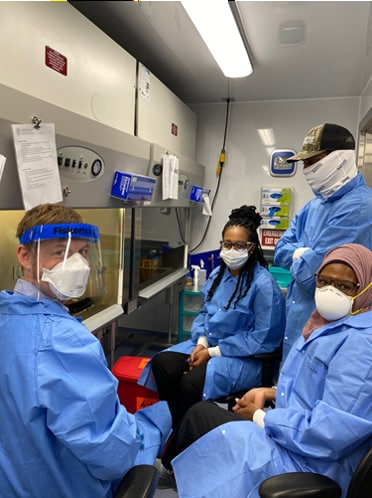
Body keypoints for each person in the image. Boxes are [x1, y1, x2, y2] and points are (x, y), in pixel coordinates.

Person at [158, 243, 372, 498]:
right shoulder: (326, 324)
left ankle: (178, 474)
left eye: (344, 286)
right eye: (323, 281)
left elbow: (330, 432)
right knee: (169, 371)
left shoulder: (361, 345)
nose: (330, 292)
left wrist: (262, 418)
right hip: (292, 435)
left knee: (199, 413)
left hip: (309, 463)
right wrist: (270, 392)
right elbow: (311, 388)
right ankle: (182, 474)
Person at [0, 203, 171, 498]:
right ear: (25, 256)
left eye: (82, 253)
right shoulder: (63, 341)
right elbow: (110, 453)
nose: (77, 265)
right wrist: (152, 428)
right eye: (61, 253)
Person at [139, 205, 286, 430]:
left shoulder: (263, 285)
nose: (232, 250)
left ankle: (186, 437)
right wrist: (201, 344)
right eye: (227, 244)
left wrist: (212, 353)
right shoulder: (219, 275)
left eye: (239, 245)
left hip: (246, 359)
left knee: (190, 383)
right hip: (210, 347)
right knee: (164, 364)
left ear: (251, 248)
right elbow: (206, 313)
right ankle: (177, 426)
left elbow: (263, 339)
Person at [274, 123, 372, 360]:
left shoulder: (360, 207)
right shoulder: (315, 204)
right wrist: (305, 254)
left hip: (332, 333)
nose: (306, 169)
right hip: (298, 328)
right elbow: (280, 251)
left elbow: (315, 278)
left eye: (311, 161)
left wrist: (299, 254)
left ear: (339, 158)